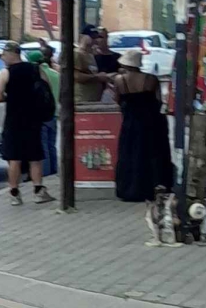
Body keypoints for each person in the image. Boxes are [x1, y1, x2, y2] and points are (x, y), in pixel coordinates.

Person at [0, 42, 53, 205]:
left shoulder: (6, 73)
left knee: (14, 158)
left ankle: (14, 194)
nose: (2, 58)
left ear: (11, 54)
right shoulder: (36, 69)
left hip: (14, 120)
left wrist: (10, 97)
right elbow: (46, 89)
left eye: (3, 55)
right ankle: (39, 191)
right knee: (35, 157)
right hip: (33, 119)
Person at [114, 48, 175, 202]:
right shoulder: (151, 79)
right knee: (153, 153)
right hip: (151, 121)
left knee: (130, 153)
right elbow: (158, 99)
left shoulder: (119, 80)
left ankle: (130, 189)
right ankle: (155, 186)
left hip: (131, 121)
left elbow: (117, 99)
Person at [25, 42, 59, 178]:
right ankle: (53, 171)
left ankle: (45, 174)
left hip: (41, 115)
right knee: (51, 145)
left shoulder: (36, 76)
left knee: (42, 146)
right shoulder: (56, 74)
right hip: (54, 113)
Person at [74, 27, 113, 105]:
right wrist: (98, 77)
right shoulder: (77, 53)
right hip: (82, 99)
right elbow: (76, 76)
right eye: (92, 36)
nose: (95, 40)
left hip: (94, 99)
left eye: (96, 37)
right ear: (83, 36)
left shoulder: (91, 54)